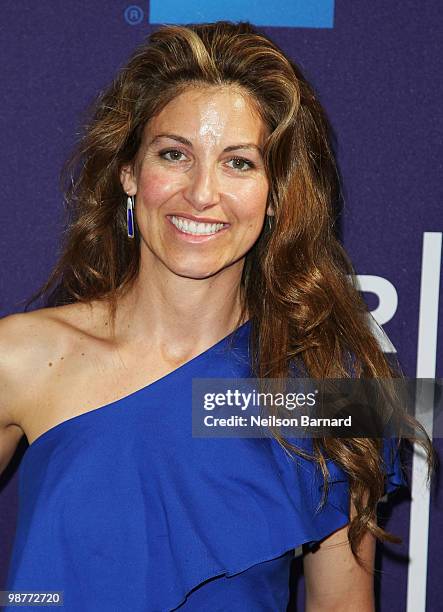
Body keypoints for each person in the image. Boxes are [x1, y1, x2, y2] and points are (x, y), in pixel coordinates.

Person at [0, 20, 433, 611]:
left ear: (277, 193)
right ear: (129, 172)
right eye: (175, 154)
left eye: (240, 164)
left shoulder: (327, 388)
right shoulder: (20, 357)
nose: (202, 193)